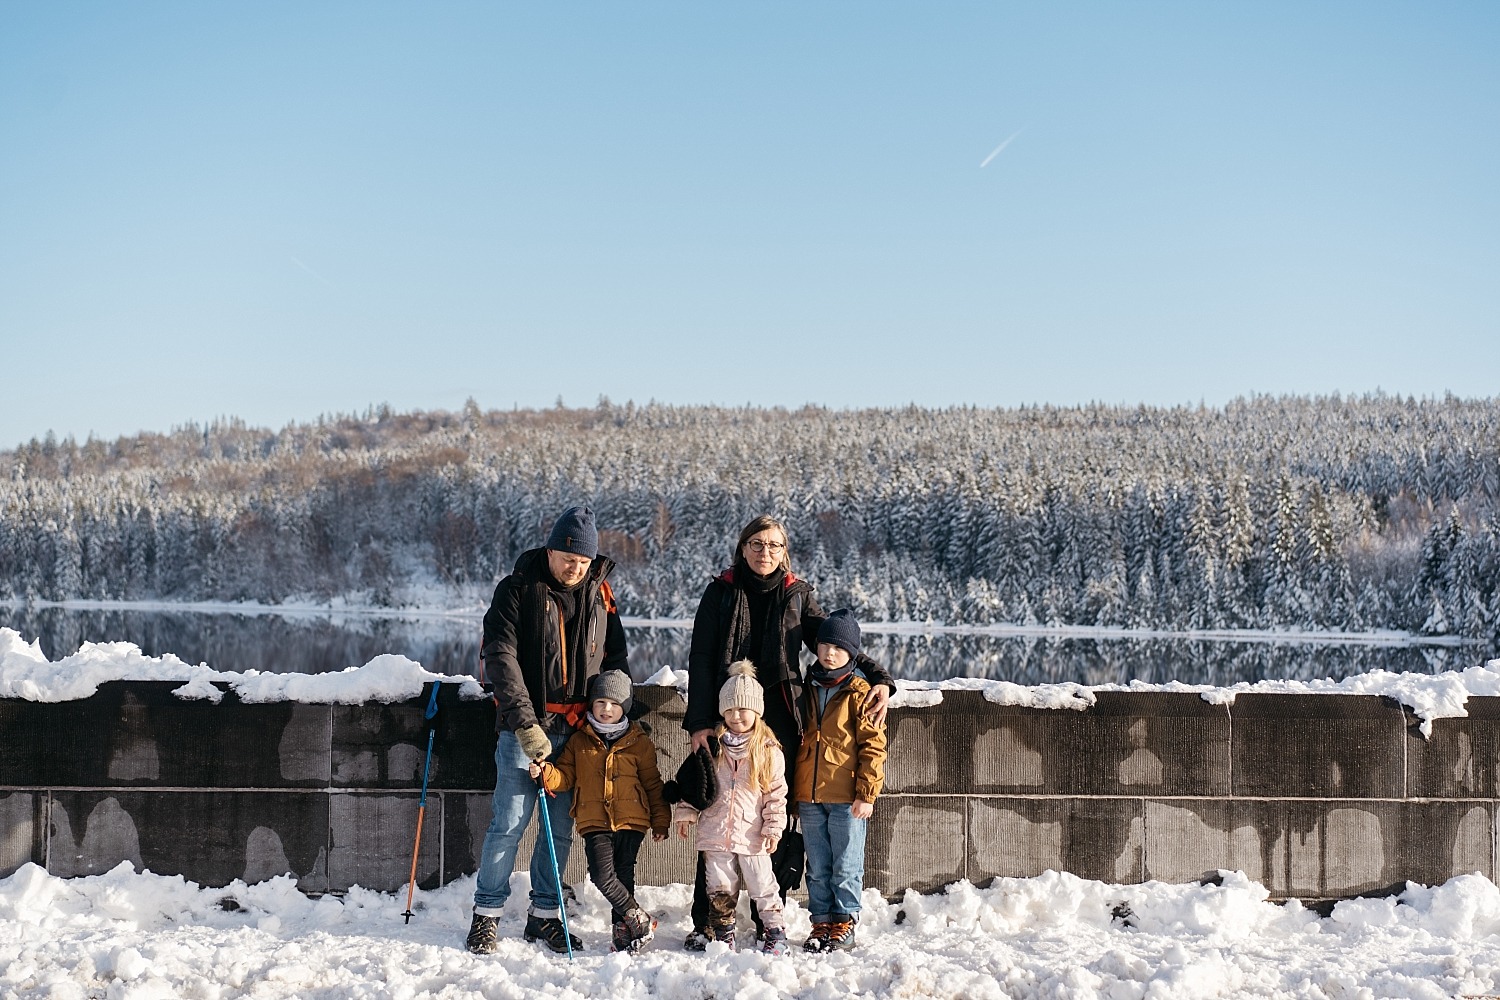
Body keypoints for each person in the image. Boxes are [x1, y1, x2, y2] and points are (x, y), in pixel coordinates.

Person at [680, 514, 894, 948]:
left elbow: (835, 642)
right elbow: (700, 658)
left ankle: (767, 923)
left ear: (785, 552)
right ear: (743, 548)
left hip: (778, 720)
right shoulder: (720, 591)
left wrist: (881, 679)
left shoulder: (797, 595)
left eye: (775, 546)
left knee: (767, 822)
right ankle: (707, 921)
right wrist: (700, 723)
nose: (765, 553)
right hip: (726, 716)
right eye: (757, 544)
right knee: (716, 814)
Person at [466, 505, 629, 955]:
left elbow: (616, 661)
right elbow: (501, 659)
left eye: (583, 561)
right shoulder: (517, 589)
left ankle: (543, 917)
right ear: (550, 548)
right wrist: (526, 726)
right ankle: (486, 915)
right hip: (525, 730)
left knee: (558, 833)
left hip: (580, 733)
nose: (574, 568)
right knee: (509, 825)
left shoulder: (601, 593)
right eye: (567, 558)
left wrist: (613, 713)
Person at [530, 671, 670, 953]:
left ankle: (623, 933)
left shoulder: (638, 741)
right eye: (601, 702)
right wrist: (546, 773)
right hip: (594, 821)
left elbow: (653, 783)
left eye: (614, 704)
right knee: (602, 875)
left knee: (623, 875)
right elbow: (565, 777)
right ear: (591, 704)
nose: (607, 709)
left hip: (632, 820)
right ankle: (638, 918)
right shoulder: (579, 741)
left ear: (625, 707)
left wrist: (661, 820)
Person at [672, 660, 792, 955]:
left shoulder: (768, 751)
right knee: (719, 887)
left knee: (762, 885)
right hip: (716, 831)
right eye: (730, 709)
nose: (736, 716)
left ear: (757, 711)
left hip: (753, 835)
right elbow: (695, 785)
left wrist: (774, 827)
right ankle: (724, 932)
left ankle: (775, 931)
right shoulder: (712, 747)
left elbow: (777, 794)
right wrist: (686, 813)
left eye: (743, 709)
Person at [795, 610, 887, 953]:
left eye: (838, 647)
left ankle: (845, 921)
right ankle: (821, 921)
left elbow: (874, 747)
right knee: (817, 866)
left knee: (846, 864)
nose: (829, 653)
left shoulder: (860, 692)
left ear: (851, 653)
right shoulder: (806, 685)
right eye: (824, 645)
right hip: (809, 794)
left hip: (846, 796)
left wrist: (867, 794)